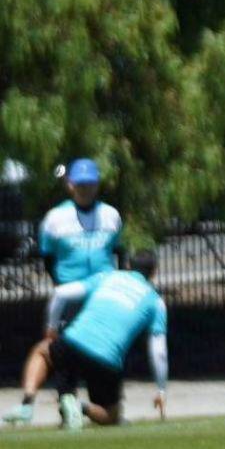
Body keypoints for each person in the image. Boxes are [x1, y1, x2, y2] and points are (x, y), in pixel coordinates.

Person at [3, 158, 123, 425]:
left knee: (100, 350)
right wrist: (62, 285)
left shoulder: (111, 215)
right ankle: (66, 401)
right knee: (61, 349)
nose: (86, 189)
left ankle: (92, 404)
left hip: (102, 297)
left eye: (90, 183)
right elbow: (48, 258)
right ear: (70, 185)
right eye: (80, 184)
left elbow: (118, 251)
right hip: (70, 294)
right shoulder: (56, 219)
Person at [4, 251, 167, 430]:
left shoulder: (107, 277)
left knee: (41, 351)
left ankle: (27, 405)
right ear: (153, 273)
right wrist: (161, 389)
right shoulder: (156, 302)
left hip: (71, 344)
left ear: (128, 266)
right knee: (111, 415)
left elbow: (60, 294)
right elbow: (158, 351)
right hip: (106, 360)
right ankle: (81, 408)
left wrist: (51, 329)